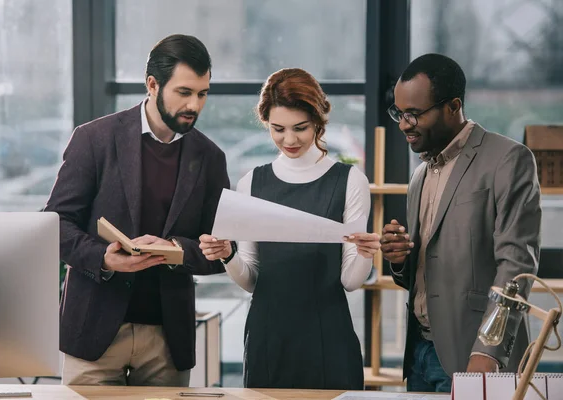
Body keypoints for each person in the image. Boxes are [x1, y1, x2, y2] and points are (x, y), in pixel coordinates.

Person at [45, 34, 230, 386]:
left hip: (167, 337)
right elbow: (56, 226)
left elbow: (219, 251)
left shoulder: (210, 158)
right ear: (152, 84)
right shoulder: (94, 139)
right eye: (184, 92)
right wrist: (105, 258)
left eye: (202, 94)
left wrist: (178, 250)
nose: (195, 104)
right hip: (94, 331)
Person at [199, 68, 380, 389]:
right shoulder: (251, 182)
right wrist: (228, 255)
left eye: (300, 128)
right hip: (268, 338)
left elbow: (350, 282)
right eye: (277, 129)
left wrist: (367, 254)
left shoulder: (349, 180)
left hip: (328, 336)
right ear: (266, 122)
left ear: (319, 122)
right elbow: (252, 280)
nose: (289, 139)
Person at [380, 53, 541, 392]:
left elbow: (516, 265)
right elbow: (426, 274)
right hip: (419, 356)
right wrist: (399, 260)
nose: (403, 124)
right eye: (399, 112)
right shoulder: (420, 173)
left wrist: (489, 350)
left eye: (414, 114)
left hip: (474, 355)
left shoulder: (509, 159)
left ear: (453, 106)